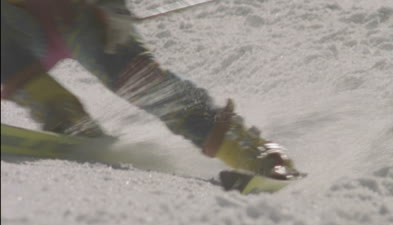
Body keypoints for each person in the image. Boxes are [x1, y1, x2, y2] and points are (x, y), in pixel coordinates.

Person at [1, 0, 301, 179]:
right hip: (16, 31)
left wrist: (113, 6)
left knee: (142, 84)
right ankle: (63, 116)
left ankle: (248, 151)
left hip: (79, 14)